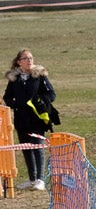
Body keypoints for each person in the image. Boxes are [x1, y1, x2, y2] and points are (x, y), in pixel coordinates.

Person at [3, 49, 56, 191]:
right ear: (19, 62)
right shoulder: (15, 78)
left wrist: (41, 103)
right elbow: (7, 97)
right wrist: (16, 106)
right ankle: (32, 179)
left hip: (37, 118)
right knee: (26, 148)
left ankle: (40, 179)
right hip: (21, 119)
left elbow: (51, 94)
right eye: (25, 58)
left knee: (37, 146)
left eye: (31, 58)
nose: (29, 60)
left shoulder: (39, 76)